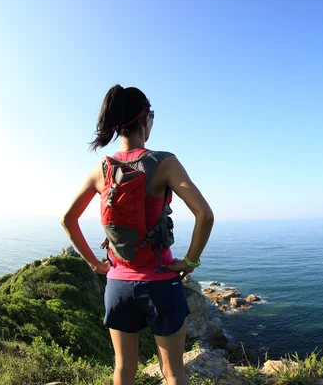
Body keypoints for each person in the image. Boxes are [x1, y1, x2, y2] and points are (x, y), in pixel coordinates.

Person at [61, 85, 214, 385]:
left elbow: (68, 219)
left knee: (123, 369)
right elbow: (205, 215)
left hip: (117, 286)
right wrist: (190, 263)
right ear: (145, 120)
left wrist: (96, 264)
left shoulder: (101, 168)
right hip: (161, 284)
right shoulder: (164, 162)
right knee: (172, 372)